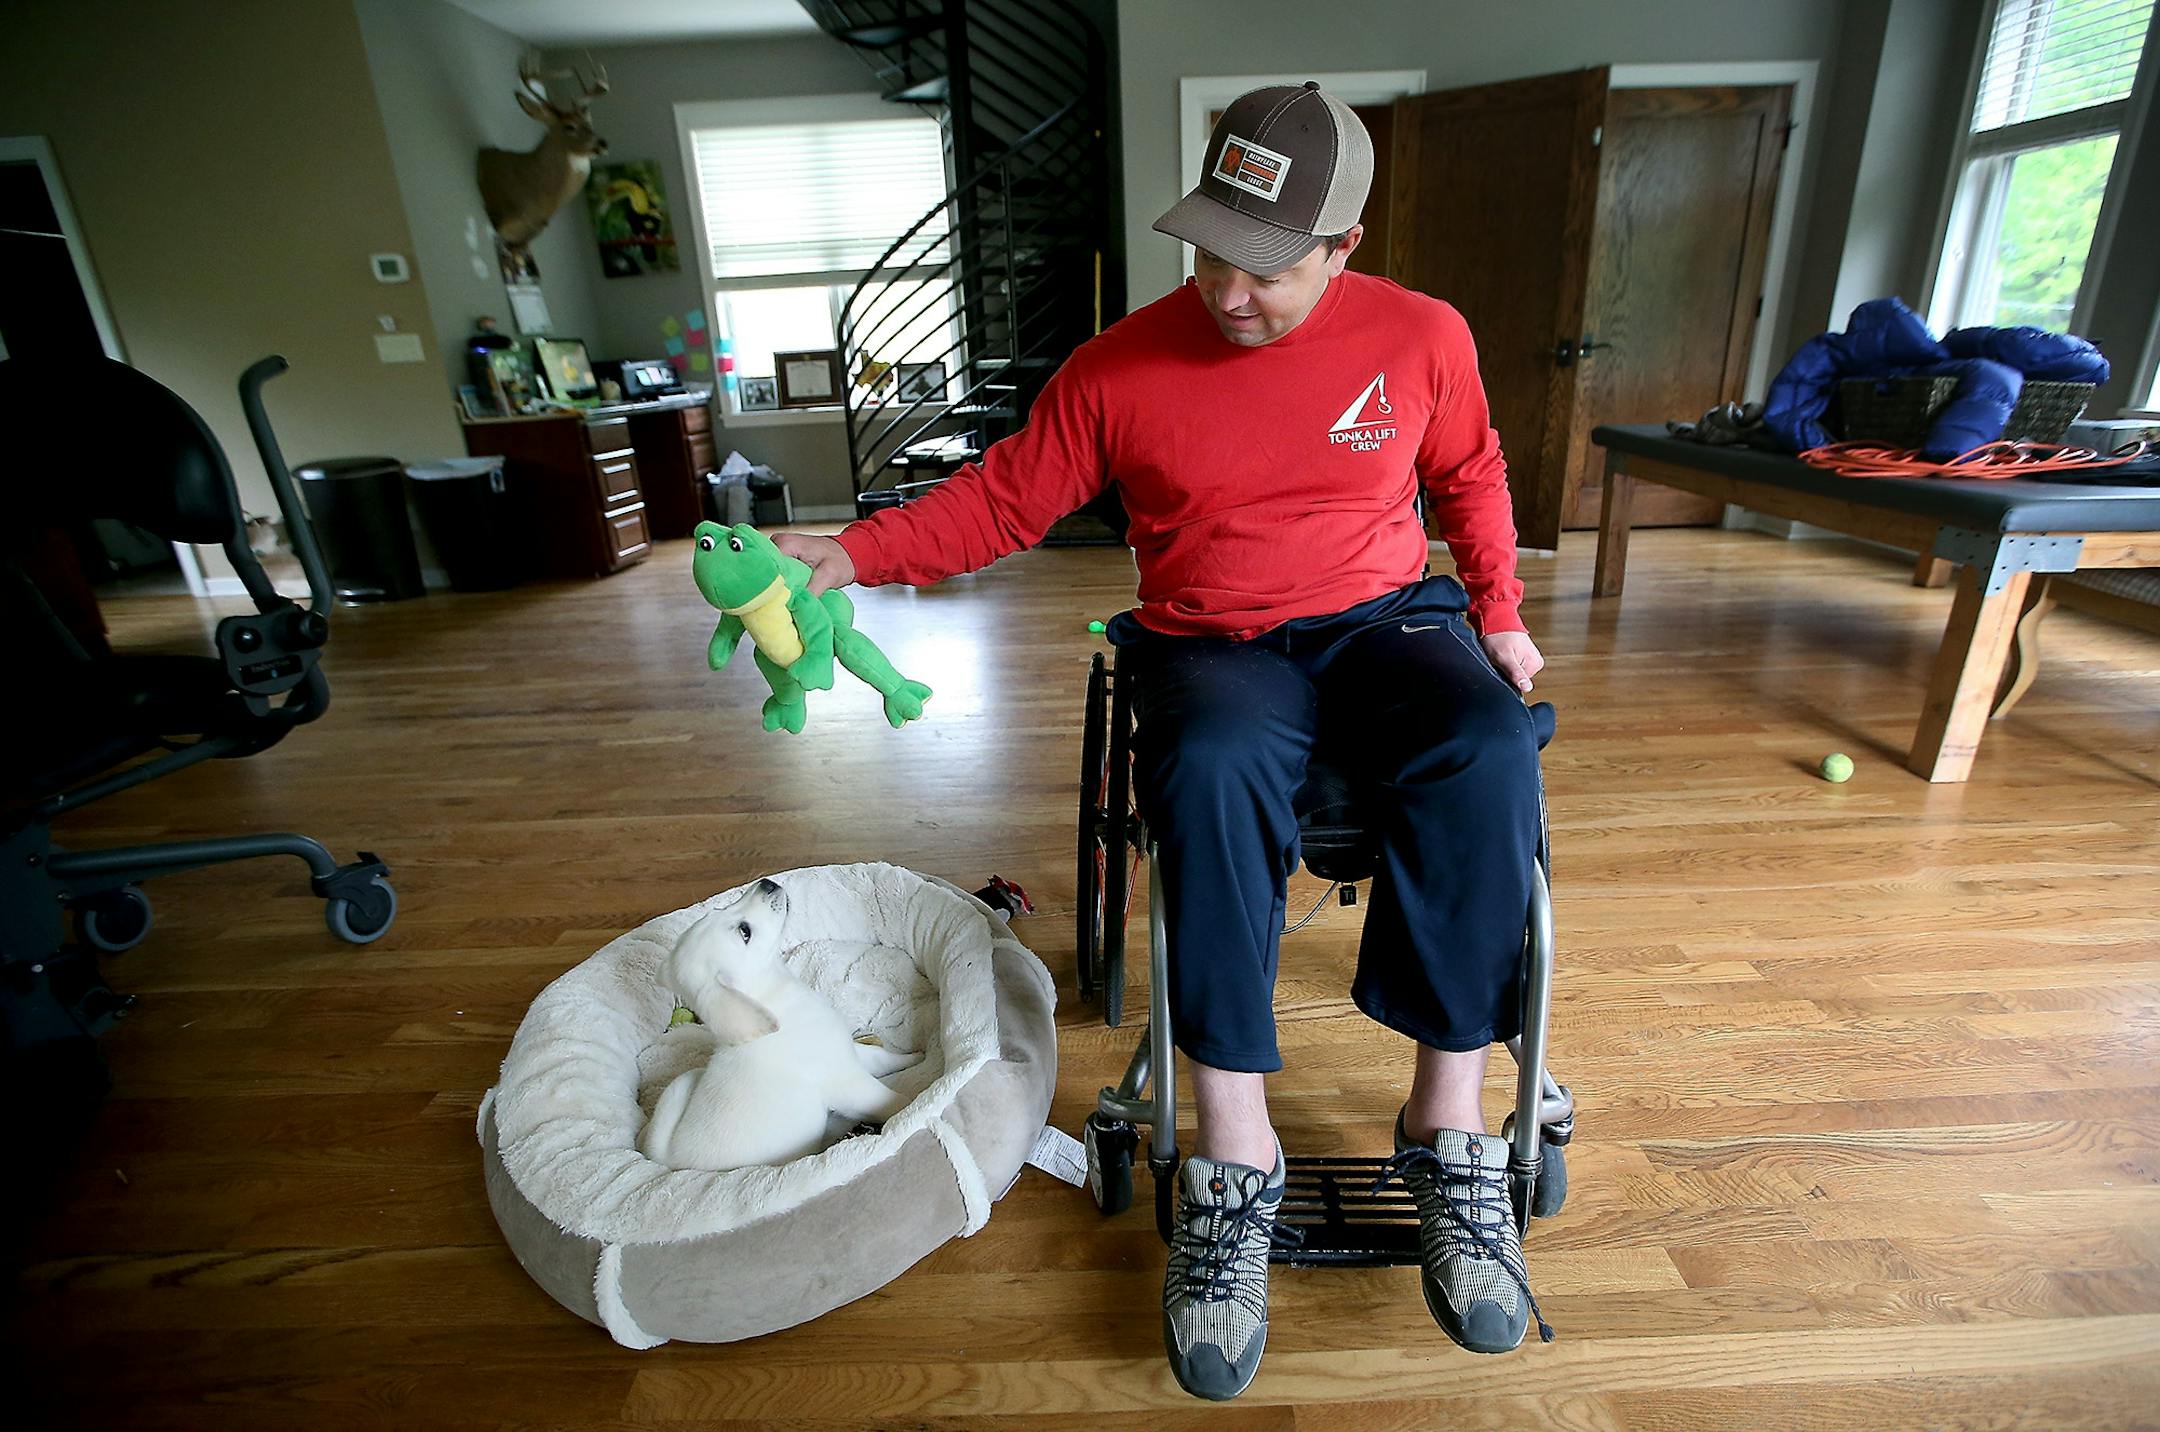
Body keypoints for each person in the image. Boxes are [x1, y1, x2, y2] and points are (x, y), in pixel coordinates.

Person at [776, 82, 1549, 1401]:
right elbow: (1001, 502)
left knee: (1487, 741)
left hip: (1384, 618)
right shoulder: (1119, 366)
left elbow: (1469, 472)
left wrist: (1502, 616)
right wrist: (851, 555)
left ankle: (1449, 1121)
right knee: (1206, 762)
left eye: (1265, 267)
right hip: (1214, 639)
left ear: (1344, 245)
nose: (1228, 292)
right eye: (1209, 253)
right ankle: (1233, 1158)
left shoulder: (1422, 337)